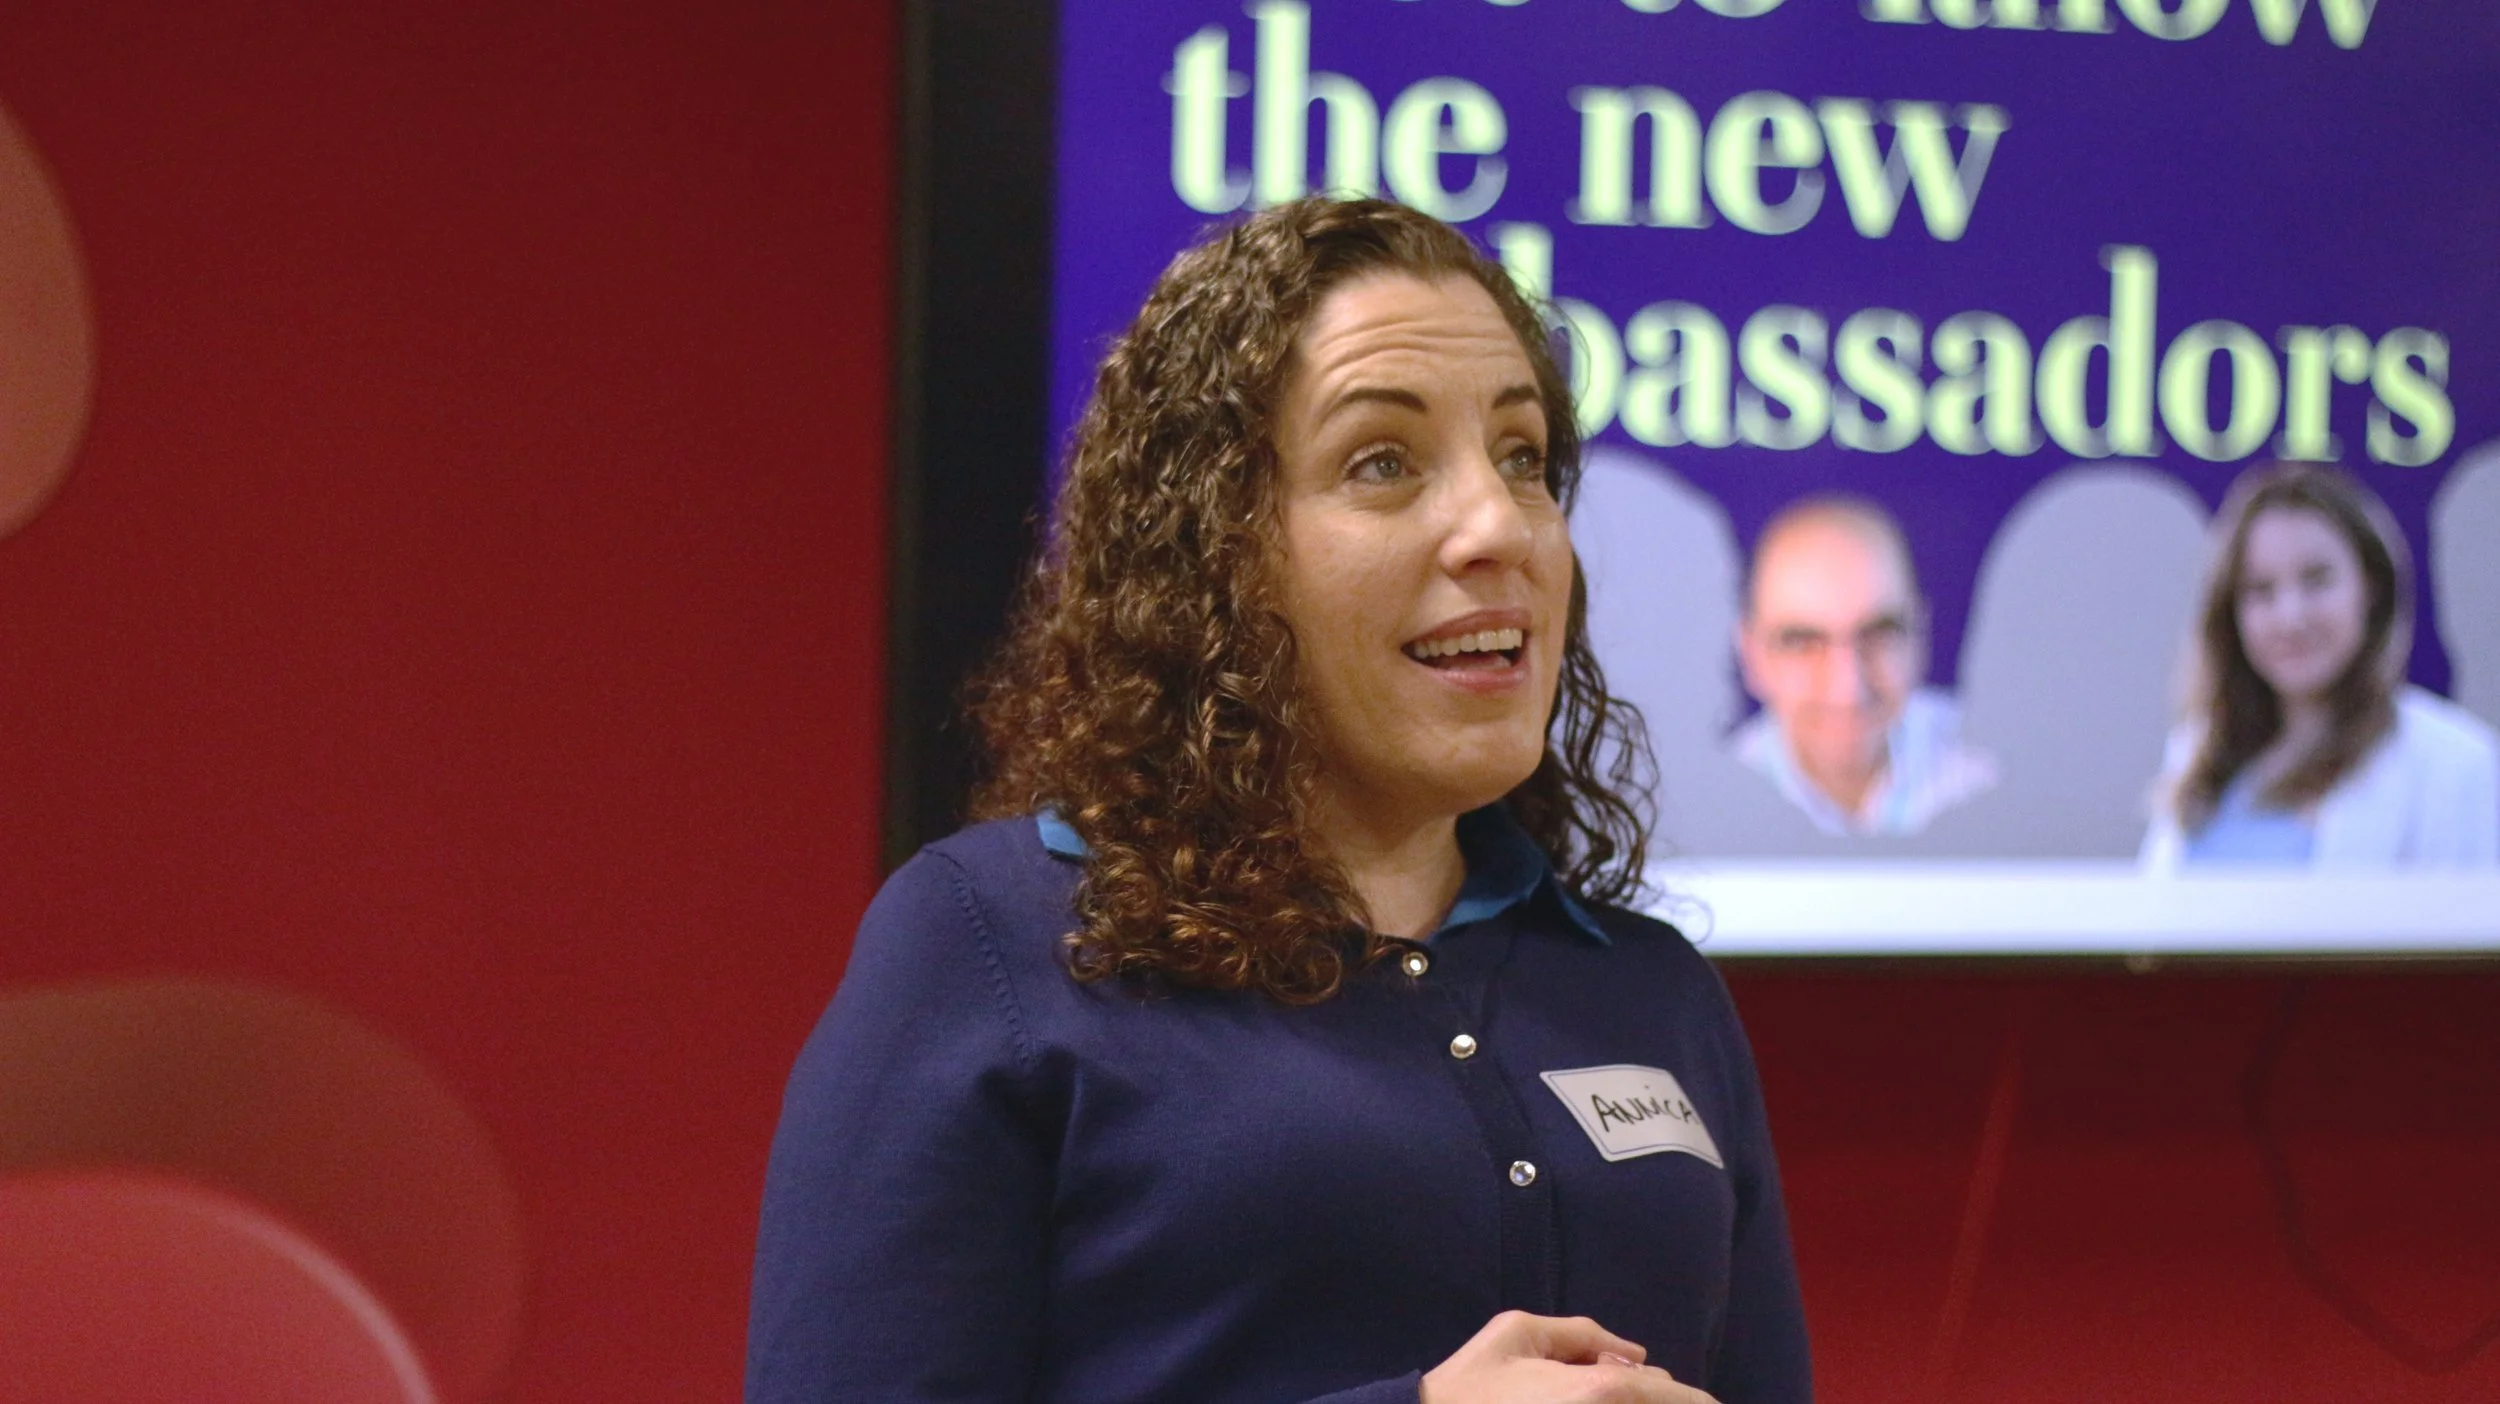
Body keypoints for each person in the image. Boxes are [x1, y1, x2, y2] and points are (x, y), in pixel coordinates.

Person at [746, 198, 1811, 1404]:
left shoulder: (1652, 991)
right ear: (1219, 557)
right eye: (1381, 464)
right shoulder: (993, 946)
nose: (1496, 527)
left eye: (1523, 459)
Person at [2140, 462, 2500, 870]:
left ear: (2371, 588)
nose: (2290, 617)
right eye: (2261, 590)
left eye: (2316, 580)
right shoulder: (2196, 753)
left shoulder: (2452, 764)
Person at [1727, 496, 1995, 836]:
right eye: (1802, 642)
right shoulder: (1713, 791)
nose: (1847, 688)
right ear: (1752, 655)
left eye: (1879, 635)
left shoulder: (1988, 778)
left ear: (1920, 636)